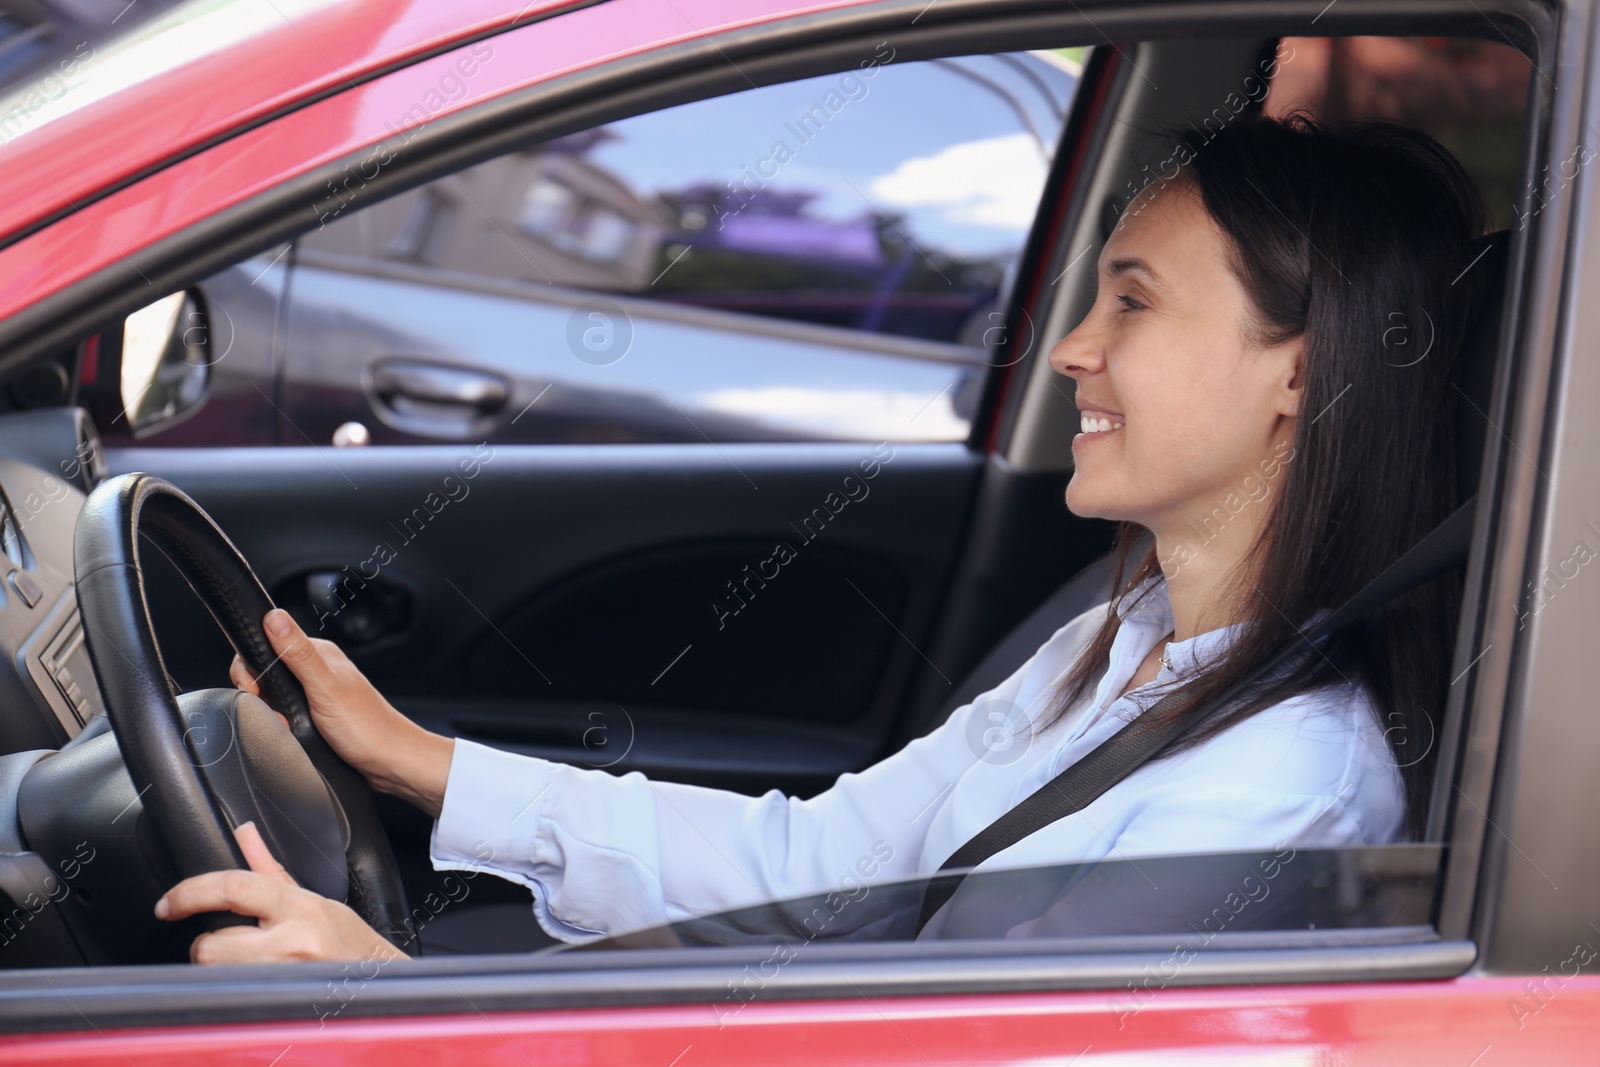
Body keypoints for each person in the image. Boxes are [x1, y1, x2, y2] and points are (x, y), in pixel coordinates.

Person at [153, 111, 1488, 962]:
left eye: (1132, 303)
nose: (1075, 349)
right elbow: (819, 874)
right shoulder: (1127, 640)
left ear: (1302, 376)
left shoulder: (1278, 791)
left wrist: (387, 1012)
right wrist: (428, 763)